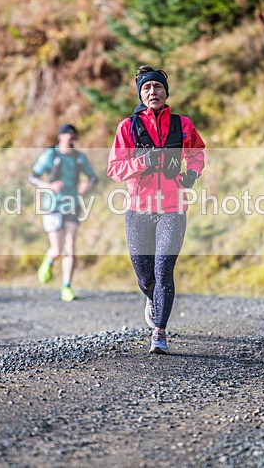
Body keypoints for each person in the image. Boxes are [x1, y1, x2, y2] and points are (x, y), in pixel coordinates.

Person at [107, 65, 206, 354]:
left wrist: (193, 173)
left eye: (158, 87)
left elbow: (197, 152)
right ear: (141, 93)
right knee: (145, 277)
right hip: (137, 209)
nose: (154, 92)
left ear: (166, 91)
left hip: (173, 208)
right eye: (148, 88)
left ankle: (159, 333)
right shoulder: (128, 127)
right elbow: (115, 169)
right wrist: (143, 162)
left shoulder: (182, 124)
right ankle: (152, 299)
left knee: (164, 270)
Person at [29, 124, 97, 301]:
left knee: (70, 247)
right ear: (60, 137)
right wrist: (49, 186)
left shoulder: (79, 158)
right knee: (57, 249)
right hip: (53, 205)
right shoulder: (50, 155)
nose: (71, 139)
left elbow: (92, 177)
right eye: (68, 136)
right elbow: (33, 176)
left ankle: (66, 286)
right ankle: (49, 261)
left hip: (72, 204)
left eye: (74, 136)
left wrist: (87, 184)